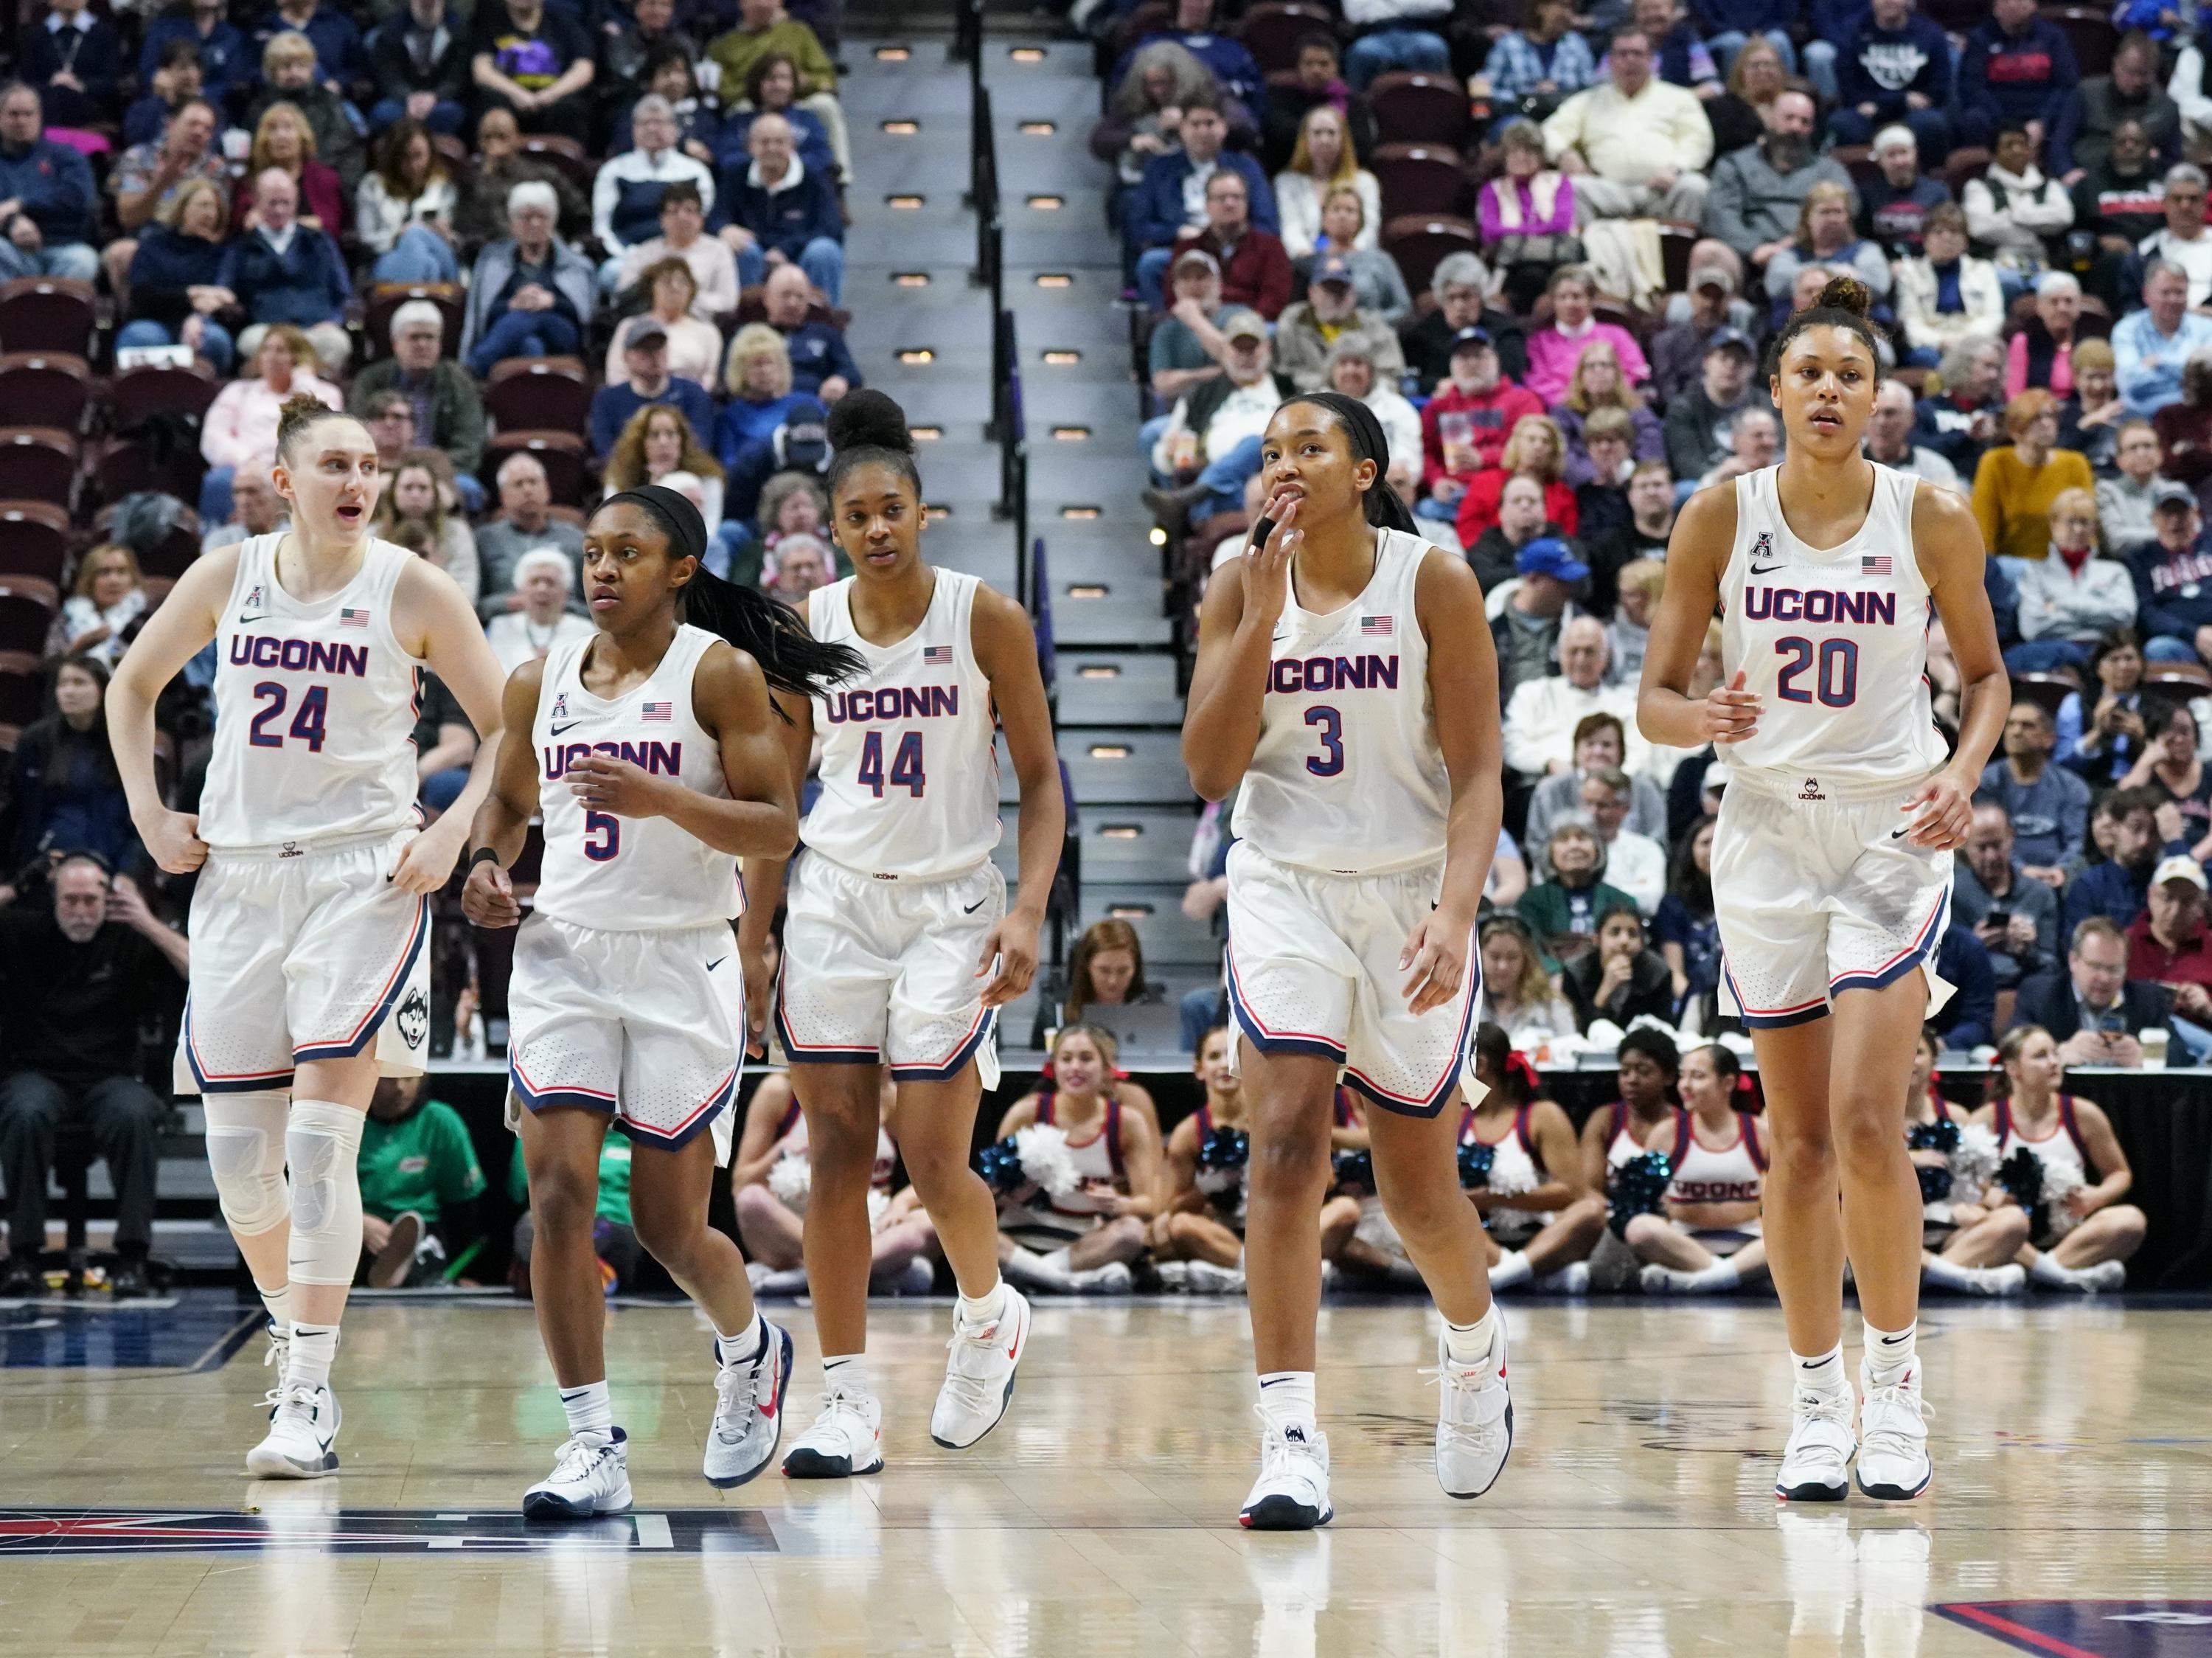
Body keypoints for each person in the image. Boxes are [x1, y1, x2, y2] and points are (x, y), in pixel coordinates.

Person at [1638, 274, 2006, 1499]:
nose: (1831, 392)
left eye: (1852, 375)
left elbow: (1991, 678)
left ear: (1879, 397)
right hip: (1762, 839)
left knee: (1862, 1117)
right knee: (1791, 1143)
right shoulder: (1717, 517)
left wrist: (1962, 771)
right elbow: (1654, 698)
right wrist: (1703, 713)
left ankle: (1896, 1392)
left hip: (1891, 833)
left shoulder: (1930, 517)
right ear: (1777, 391)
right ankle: (1813, 1394)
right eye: (1811, 374)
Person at [105, 395, 509, 1480]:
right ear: (282, 480)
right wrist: (149, 812)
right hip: (237, 878)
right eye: (334, 463)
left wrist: (459, 830)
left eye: (369, 465)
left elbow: (508, 721)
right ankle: (298, 1326)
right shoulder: (224, 578)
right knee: (242, 1172)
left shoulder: (411, 587)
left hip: (361, 877)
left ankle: (308, 1393)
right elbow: (131, 684)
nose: (357, 481)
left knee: (321, 1144)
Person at [462, 482, 858, 1514]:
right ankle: (592, 1445)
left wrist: (665, 799)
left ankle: (750, 1352)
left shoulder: (718, 674)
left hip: (683, 959)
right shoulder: (536, 678)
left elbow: (775, 827)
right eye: (592, 552)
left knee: (669, 1225)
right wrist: (486, 864)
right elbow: (508, 800)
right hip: (564, 961)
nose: (601, 570)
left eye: (626, 554)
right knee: (556, 1198)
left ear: (680, 569)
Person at [1182, 386, 1512, 1527]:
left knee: (1419, 1195)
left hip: (1413, 888)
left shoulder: (1434, 580)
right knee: (1280, 1147)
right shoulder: (1238, 581)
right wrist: (1261, 618)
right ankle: (1288, 1441)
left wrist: (1459, 915)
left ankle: (1473, 1352)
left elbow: (1478, 771)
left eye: (1308, 446)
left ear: (1363, 471)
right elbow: (1212, 771)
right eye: (1270, 450)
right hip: (1284, 884)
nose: (1284, 463)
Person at [728, 390, 1062, 1477]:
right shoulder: (807, 630)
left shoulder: (984, 619)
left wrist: (1027, 910)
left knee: (928, 1150)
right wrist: (755, 933)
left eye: (893, 511)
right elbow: (778, 799)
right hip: (834, 898)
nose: (876, 529)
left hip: (951, 904)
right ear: (831, 528)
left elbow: (1046, 783)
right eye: (856, 515)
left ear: (924, 514)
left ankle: (987, 1311)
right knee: (832, 1153)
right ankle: (847, 1401)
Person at [0, 859, 187, 1300]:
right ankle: (24, 1254)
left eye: (91, 900)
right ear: (54, 899)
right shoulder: (22, 932)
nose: (81, 910)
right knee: (24, 1111)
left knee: (136, 1112)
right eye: (71, 900)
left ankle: (132, 1256)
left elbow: (202, 973)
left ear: (108, 900)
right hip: (37, 1073)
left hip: (110, 1076)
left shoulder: (128, 938)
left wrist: (146, 920)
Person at [990, 1024, 1160, 1296]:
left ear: (1107, 1068)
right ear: (1053, 1067)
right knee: (972, 1234)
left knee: (1132, 1232)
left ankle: (1036, 1275)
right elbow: (988, 1193)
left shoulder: (1126, 1122)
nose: (1075, 1068)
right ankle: (1067, 1283)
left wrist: (1119, 1203)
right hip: (1015, 1240)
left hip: (1083, 1248)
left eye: (1086, 1058)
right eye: (1066, 1059)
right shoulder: (1027, 1113)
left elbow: (1151, 1203)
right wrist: (1012, 1193)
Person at [1970, 1025, 2146, 1287]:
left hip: (2068, 1234)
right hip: (2013, 1235)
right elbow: (1965, 1182)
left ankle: (2040, 1272)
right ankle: (2062, 1277)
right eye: (2041, 1056)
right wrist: (1990, 1195)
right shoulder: (1988, 1119)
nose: (2054, 1062)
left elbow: (2119, 1173)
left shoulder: (2083, 1113)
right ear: (2013, 1068)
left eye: (2055, 1053)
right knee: (1985, 1221)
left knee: (2130, 1220)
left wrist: (2095, 1197)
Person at [734, 1072, 934, 1297]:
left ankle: (807, 1278)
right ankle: (870, 1274)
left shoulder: (886, 1093)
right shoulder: (780, 1090)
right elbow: (741, 1183)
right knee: (750, 1199)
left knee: (925, 1224)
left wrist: (901, 1203)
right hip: (795, 1227)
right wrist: (780, 1151)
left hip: (867, 1228)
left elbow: (934, 1169)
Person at [1463, 1024, 1603, 1293]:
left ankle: (1502, 1276)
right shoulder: (1456, 1118)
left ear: (1480, 1065)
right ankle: (1524, 1274)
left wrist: (1496, 1198)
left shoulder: (1542, 1115)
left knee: (1592, 1211)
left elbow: (1573, 1193)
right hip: (1480, 1241)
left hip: (1540, 1236)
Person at [1625, 1043, 1773, 1294]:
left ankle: (1702, 1282)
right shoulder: (1667, 1134)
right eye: (1683, 1076)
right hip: (1684, 1245)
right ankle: (1729, 1278)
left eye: (1698, 1076)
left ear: (1728, 1083)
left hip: (1750, 1243)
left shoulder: (1758, 1132)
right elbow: (1639, 1200)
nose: (1685, 1085)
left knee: (1796, 1235)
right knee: (1639, 1227)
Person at [1542, 24, 1714, 224]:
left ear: (1651, 59)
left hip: (1663, 188)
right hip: (1608, 188)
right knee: (1573, 187)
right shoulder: (1587, 101)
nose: (1630, 60)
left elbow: (1698, 140)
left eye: (1637, 54)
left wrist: (1676, 168)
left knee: (1695, 186)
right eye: (1622, 54)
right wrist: (1564, 154)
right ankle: (1588, 254)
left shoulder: (1679, 98)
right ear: (1611, 61)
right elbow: (1548, 132)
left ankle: (1679, 254)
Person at [199, 326, 343, 529]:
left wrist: (303, 383)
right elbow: (213, 436)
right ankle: (215, 542)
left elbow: (322, 431)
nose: (271, 357)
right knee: (219, 481)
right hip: (244, 466)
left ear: (298, 358)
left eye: (281, 351)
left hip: (294, 466)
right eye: (266, 349)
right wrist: (247, 461)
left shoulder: (326, 392)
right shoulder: (239, 391)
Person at [214, 169, 352, 375]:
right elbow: (224, 288)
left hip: (316, 328)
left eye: (286, 203)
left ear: (296, 202)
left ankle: (318, 399)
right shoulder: (242, 246)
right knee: (250, 341)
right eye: (272, 203)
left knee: (337, 342)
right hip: (266, 330)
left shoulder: (319, 240)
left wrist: (335, 319)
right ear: (257, 202)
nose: (279, 210)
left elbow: (343, 289)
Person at [1703, 89, 1854, 273]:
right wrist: (1754, 248)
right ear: (1770, 120)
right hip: (1748, 256)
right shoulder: (1735, 164)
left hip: (1812, 252)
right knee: (1707, 252)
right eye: (1789, 118)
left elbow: (1849, 207)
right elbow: (1722, 213)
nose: (1796, 127)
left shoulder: (1829, 169)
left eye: (1804, 122)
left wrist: (1795, 244)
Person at [349, 301, 488, 499]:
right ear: (395, 343)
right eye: (414, 337)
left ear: (440, 344)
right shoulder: (370, 380)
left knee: (468, 490)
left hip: (443, 470)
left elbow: (471, 442)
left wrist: (429, 470)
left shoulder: (458, 381)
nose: (422, 344)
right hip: (381, 468)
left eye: (430, 337)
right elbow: (355, 433)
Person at [355, 1074, 483, 1288]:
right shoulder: (347, 1120)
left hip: (422, 1227)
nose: (399, 1088)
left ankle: (400, 1271)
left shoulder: (441, 1120)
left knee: (424, 1267)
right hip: (353, 1226)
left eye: (409, 1077)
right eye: (389, 1078)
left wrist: (471, 1273)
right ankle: (388, 1272)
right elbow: (314, 1196)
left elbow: (465, 1209)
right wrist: (360, 1223)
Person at [462, 180, 595, 378]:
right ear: (512, 223)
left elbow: (584, 314)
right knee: (530, 343)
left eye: (541, 217)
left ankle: (474, 366)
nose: (534, 224)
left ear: (553, 221)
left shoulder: (576, 264)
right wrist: (513, 304)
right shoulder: (492, 261)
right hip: (511, 338)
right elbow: (485, 313)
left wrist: (551, 302)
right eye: (526, 217)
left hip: (561, 333)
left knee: (521, 319)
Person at [713, 113, 844, 305]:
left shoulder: (814, 180)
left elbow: (831, 228)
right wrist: (723, 229)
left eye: (779, 142)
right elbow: (715, 217)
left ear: (791, 145)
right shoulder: (735, 177)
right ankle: (745, 320)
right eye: (764, 142)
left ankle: (823, 322)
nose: (772, 149)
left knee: (825, 251)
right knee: (743, 250)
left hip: (799, 254)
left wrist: (784, 250)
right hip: (754, 255)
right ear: (751, 146)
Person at [2008, 488, 2136, 672]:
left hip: (2101, 650)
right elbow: (2031, 627)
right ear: (2054, 525)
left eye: (2084, 522)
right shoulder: (2034, 572)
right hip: (2050, 651)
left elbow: (2125, 616)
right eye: (2070, 522)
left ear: (2094, 528)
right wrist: (2098, 612)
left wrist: (2060, 605)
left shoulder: (2114, 571)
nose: (2078, 530)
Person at [593, 95, 713, 289]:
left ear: (675, 129)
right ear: (634, 130)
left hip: (685, 256)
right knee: (611, 273)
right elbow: (602, 226)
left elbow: (702, 221)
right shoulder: (613, 171)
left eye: (659, 122)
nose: (652, 129)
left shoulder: (696, 172)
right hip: (629, 256)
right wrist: (631, 255)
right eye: (645, 123)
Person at [1504, 614, 1641, 778]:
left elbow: (1638, 756)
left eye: (1589, 651)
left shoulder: (1624, 703)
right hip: (1541, 781)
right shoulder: (1532, 694)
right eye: (1573, 651)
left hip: (1610, 790)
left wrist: (1603, 781)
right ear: (1559, 654)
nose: (1581, 659)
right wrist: (1549, 763)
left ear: (1606, 656)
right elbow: (1511, 745)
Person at [1972, 392, 2097, 566]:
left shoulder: (2076, 463)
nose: (2046, 424)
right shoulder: (1995, 462)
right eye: (2036, 418)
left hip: (2063, 565)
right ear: (2016, 430)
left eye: (2051, 417)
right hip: (2012, 566)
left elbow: (2087, 525)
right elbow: (1983, 530)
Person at [1976, 700, 2091, 874]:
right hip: (2002, 871)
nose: (2016, 732)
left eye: (2028, 726)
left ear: (2049, 738)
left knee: (2080, 867)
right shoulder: (1986, 782)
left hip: (2058, 873)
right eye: (2011, 725)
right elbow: (1986, 840)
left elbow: (2075, 842)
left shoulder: (2072, 786)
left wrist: (2061, 869)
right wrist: (2020, 870)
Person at [0, 83, 99, 284]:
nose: (21, 121)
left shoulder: (67, 156)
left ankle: (49, 312)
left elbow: (78, 197)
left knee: (85, 260)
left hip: (63, 248)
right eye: (14, 114)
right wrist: (12, 222)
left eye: (29, 114)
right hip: (10, 250)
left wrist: (21, 204)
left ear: (39, 117)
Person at [1954, 802, 2061, 988]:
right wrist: (1973, 946)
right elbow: (1941, 967)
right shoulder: (1953, 895)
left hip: (2025, 990)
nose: (1991, 856)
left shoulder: (2040, 894)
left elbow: (2052, 966)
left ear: (2011, 837)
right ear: (1965, 845)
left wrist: (2028, 951)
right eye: (1981, 848)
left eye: (1997, 845)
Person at [1828, 0, 1952, 155]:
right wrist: (1902, 100)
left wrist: (1882, 103)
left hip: (1914, 114)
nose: (1888, 1)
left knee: (1931, 123)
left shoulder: (1931, 33)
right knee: (1841, 124)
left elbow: (1938, 88)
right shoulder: (1853, 32)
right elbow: (1848, 87)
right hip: (1869, 113)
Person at [2053, 30, 2177, 181]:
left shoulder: (2166, 107)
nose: (2137, 81)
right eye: (2131, 73)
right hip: (2088, 178)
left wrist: (2159, 163)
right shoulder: (2086, 93)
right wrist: (2066, 172)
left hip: (2144, 182)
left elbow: (2173, 158)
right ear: (2116, 65)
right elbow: (2061, 142)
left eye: (2144, 74)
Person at [1399, 253, 1529, 395]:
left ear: (1481, 297)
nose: (1460, 305)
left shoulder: (1505, 331)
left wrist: (1464, 386)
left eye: (1466, 296)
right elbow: (1411, 380)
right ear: (1440, 299)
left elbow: (1512, 377)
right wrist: (1436, 384)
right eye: (1451, 297)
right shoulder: (1420, 334)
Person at [468, 0, 594, 145]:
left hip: (554, 97)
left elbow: (584, 68)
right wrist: (518, 94)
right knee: (491, 103)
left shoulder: (564, 22)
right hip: (509, 96)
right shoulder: (489, 23)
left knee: (570, 109)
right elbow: (482, 71)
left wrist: (548, 95)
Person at [1523, 265, 1650, 407]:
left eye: (1576, 297)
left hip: (1615, 407)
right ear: (1553, 302)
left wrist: (1606, 395)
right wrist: (1579, 402)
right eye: (1562, 297)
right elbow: (1539, 383)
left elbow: (1636, 371)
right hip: (1564, 412)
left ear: (1591, 300)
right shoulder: (1538, 342)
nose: (1569, 304)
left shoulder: (1617, 334)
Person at [1763, 182, 1891, 321]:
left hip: (1859, 332)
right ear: (1807, 218)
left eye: (1838, 212)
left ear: (1848, 217)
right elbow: (1776, 284)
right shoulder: (1790, 254)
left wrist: (1808, 281)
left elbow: (1878, 285)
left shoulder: (1866, 250)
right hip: (1795, 332)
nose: (1832, 219)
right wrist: (1843, 274)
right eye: (1824, 212)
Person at [355, 118, 459, 285]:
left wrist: (445, 234)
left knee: (415, 235)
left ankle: (397, 302)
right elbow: (366, 238)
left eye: (418, 156)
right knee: (428, 265)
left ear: (430, 153)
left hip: (442, 258)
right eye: (405, 157)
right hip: (387, 256)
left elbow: (457, 241)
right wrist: (396, 236)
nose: (413, 165)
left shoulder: (444, 187)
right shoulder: (372, 185)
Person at [613, 182, 739, 320]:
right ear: (662, 220)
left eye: (689, 211)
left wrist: (685, 298)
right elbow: (622, 296)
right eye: (674, 211)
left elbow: (728, 301)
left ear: (701, 219)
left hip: (699, 323)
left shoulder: (718, 251)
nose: (682, 217)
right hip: (651, 324)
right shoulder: (643, 253)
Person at [1961, 126, 2073, 278]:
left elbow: (2064, 217)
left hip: (2048, 264)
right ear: (1993, 153)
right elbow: (1981, 228)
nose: (2017, 150)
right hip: (1995, 266)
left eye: (2023, 144)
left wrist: (2016, 214)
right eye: (2008, 145)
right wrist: (2034, 237)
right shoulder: (1978, 186)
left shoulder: (2049, 185)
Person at [1663, 327, 1768, 489]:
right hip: (1705, 483)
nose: (1731, 365)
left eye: (1740, 360)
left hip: (1757, 481)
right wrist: (1721, 475)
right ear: (1707, 362)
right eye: (1724, 358)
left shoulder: (1767, 405)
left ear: (1753, 368)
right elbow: (1686, 462)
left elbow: (1779, 453)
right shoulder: (1684, 406)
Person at [1458, 413, 1578, 545]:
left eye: (1546, 441)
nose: (1538, 446)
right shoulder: (1485, 482)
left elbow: (1567, 540)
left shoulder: (1564, 494)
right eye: (1531, 439)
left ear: (1554, 452)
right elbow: (1468, 531)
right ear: (1516, 444)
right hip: (1490, 558)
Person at [2115, 260, 2212, 417]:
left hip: (2196, 419)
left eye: (2179, 292)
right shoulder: (2126, 329)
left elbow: (2207, 381)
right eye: (2166, 293)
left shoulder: (2207, 328)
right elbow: (2130, 382)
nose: (2173, 299)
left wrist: (2160, 363)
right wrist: (2187, 376)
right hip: (2143, 421)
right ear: (2146, 295)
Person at [1562, 901, 1674, 1030]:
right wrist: (1605, 991)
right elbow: (1574, 1031)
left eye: (1632, 934)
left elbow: (1665, 1031)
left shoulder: (1658, 972)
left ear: (1642, 942)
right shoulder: (1576, 971)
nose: (1624, 941)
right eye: (1615, 932)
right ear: (1597, 940)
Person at [2057, 629, 2148, 784]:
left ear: (2141, 664)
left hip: (2143, 789)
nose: (2123, 666)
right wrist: (2096, 734)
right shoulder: (2077, 703)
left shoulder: (2158, 707)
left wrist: (2142, 739)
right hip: (2089, 788)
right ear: (2098, 667)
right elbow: (2062, 765)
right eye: (2114, 659)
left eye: (2129, 658)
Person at [757, 262, 858, 400]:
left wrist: (841, 379)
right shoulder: (751, 335)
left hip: (814, 408)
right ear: (766, 297)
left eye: (800, 297)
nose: (793, 303)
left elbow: (852, 373)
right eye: (786, 295)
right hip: (763, 406)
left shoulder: (826, 334)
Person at [485, 545, 594, 673]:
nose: (542, 589)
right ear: (521, 589)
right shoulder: (500, 627)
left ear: (566, 590)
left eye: (550, 582)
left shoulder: (585, 630)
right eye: (534, 581)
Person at [367, 0, 470, 135]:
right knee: (384, 113)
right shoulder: (391, 28)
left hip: (441, 100)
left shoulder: (459, 29)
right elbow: (388, 75)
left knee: (451, 113)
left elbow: (457, 77)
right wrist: (408, 97)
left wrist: (435, 97)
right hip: (401, 99)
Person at [1859, 126, 1952, 260]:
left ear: (1915, 153)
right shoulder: (1867, 194)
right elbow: (1863, 239)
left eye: (1904, 153)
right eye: (1891, 155)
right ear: (1880, 160)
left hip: (1930, 263)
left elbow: (1948, 233)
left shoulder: (1937, 192)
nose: (1899, 161)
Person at [1477, 914, 1576, 1037]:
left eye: (1512, 957)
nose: (1503, 966)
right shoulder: (1466, 1005)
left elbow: (1570, 1048)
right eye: (1495, 957)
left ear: (1526, 958)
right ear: (1480, 956)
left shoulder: (1551, 1007)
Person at [52, 544, 149, 668]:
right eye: (104, 572)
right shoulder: (67, 618)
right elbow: (50, 670)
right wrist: (78, 647)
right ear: (89, 580)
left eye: (122, 572)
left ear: (133, 579)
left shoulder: (148, 617)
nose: (114, 581)